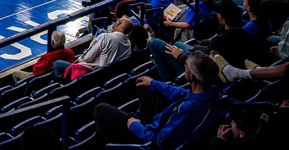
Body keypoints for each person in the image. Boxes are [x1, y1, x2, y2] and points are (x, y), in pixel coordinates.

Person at [93, 52, 225, 149]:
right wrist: (154, 83)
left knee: (101, 109)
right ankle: (142, 122)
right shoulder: (212, 94)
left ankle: (122, 144)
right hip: (161, 124)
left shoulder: (187, 110)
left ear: (191, 74)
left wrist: (135, 125)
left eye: (186, 66)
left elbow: (159, 141)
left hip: (151, 141)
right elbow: (182, 93)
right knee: (145, 88)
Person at [53, 17, 133, 80]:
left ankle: (63, 86)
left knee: (57, 64)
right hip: (110, 75)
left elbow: (88, 57)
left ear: (118, 23)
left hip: (94, 74)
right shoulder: (128, 44)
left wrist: (80, 59)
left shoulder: (106, 37)